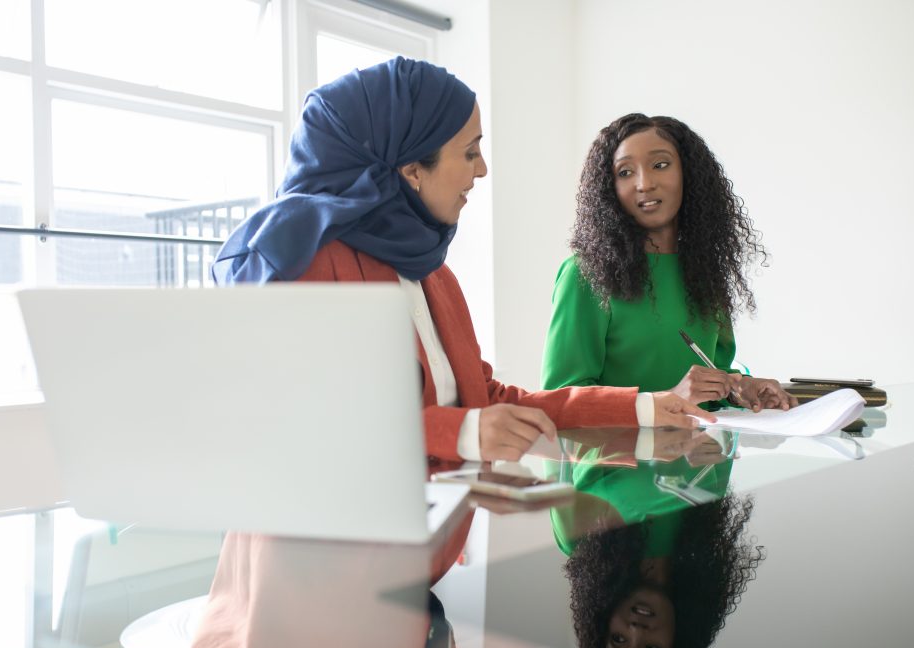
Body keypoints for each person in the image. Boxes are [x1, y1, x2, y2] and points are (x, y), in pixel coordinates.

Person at [211, 61, 713, 464]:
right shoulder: (313, 266)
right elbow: (304, 423)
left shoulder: (434, 275)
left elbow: (485, 396)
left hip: (425, 562)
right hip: (315, 581)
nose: (483, 169)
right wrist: (466, 433)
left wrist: (642, 406)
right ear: (411, 170)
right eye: (470, 151)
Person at [541, 113, 795, 412]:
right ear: (609, 188)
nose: (644, 184)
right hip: (620, 457)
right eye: (624, 172)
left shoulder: (704, 270)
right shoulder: (585, 274)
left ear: (688, 173)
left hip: (703, 454)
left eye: (660, 165)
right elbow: (560, 399)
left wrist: (740, 387)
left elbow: (714, 370)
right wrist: (666, 400)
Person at [549, 429, 762, 648]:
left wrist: (649, 442)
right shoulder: (700, 538)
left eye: (618, 639)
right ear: (680, 637)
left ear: (602, 624)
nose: (636, 631)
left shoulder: (580, 539)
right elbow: (721, 427)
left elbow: (560, 431)